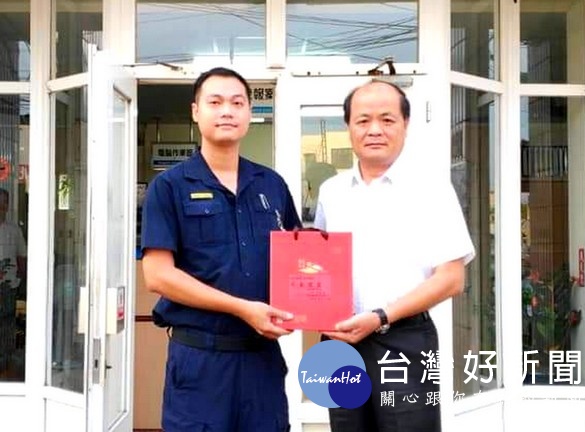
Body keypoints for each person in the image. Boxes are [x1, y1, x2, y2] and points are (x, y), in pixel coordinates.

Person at [142, 67, 301, 432]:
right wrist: (242, 308)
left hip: (261, 359)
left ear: (249, 113)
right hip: (200, 361)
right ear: (195, 111)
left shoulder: (271, 185)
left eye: (237, 102)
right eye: (215, 102)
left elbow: (299, 258)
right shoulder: (169, 186)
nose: (227, 111)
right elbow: (158, 276)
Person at [314, 79, 475, 432]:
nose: (374, 130)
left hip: (405, 340)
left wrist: (380, 317)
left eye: (387, 120)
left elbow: (452, 279)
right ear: (349, 126)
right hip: (341, 342)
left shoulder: (432, 189)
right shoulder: (331, 191)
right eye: (363, 120)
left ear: (405, 125)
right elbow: (320, 267)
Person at [0, 187, 27, 375]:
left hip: (10, 286)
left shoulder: (14, 229)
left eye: (5, 202)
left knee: (9, 324)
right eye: (0, 202)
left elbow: (21, 257)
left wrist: (23, 280)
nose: (2, 206)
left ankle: (6, 362)